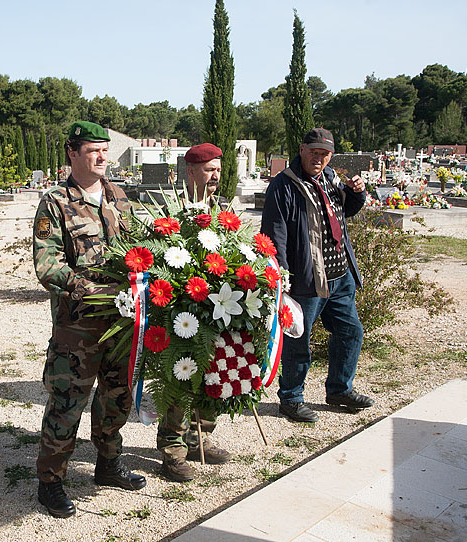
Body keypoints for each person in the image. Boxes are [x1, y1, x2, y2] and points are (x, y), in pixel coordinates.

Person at [32, 121, 146, 518]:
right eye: (93, 150)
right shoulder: (55, 202)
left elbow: (141, 250)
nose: (102, 157)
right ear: (72, 152)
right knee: (67, 402)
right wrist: (95, 291)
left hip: (122, 323)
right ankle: (50, 481)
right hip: (77, 327)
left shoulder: (119, 196)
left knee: (117, 396)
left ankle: (108, 464)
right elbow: (47, 265)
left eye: (104, 150)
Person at [261, 127, 374, 423]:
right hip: (307, 280)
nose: (319, 158)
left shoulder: (331, 178)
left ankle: (339, 390)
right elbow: (275, 234)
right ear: (302, 150)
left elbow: (344, 211)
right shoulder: (284, 186)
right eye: (314, 152)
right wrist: (282, 278)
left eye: (324, 154)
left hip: (340, 276)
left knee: (350, 332)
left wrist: (357, 194)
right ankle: (291, 398)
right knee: (298, 340)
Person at [158, 143, 233, 482]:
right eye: (209, 170)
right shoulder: (171, 208)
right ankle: (173, 450)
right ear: (191, 171)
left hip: (216, 308)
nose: (215, 175)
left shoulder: (223, 208)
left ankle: (201, 437)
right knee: (180, 378)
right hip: (181, 310)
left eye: (218, 169)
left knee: (212, 374)